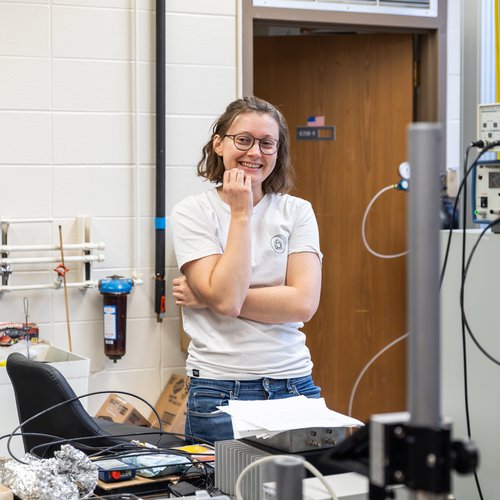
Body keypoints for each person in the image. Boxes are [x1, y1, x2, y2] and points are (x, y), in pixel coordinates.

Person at [170, 96, 323, 444]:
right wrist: (241, 213)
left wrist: (207, 296)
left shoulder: (297, 212)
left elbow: (302, 304)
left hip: (294, 383)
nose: (255, 152)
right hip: (219, 389)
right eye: (244, 140)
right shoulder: (192, 212)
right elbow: (226, 301)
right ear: (219, 143)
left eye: (267, 143)